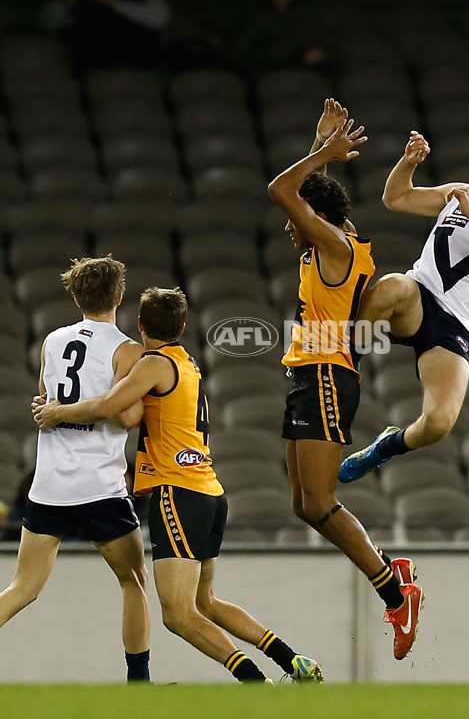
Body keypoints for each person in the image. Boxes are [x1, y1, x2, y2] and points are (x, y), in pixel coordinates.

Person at [33, 286, 322, 684]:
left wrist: (56, 412)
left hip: (178, 493)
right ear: (183, 327)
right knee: (206, 601)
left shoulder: (152, 365)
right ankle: (293, 661)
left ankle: (256, 683)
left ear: (139, 325)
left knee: (178, 615)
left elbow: (109, 408)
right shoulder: (186, 362)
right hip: (209, 493)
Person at [266, 100, 424, 662]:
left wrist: (319, 158)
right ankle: (391, 574)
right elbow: (315, 200)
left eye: (298, 219)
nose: (289, 225)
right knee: (304, 506)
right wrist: (321, 148)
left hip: (328, 376)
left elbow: (281, 192)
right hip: (309, 377)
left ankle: (395, 591)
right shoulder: (335, 237)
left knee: (322, 500)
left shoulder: (332, 245)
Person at [339, 126, 469, 483]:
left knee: (437, 424)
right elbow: (397, 198)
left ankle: (383, 448)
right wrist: (407, 163)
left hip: (457, 322)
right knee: (392, 287)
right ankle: (342, 366)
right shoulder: (458, 192)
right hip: (420, 295)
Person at [0, 255, 151, 682]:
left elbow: (45, 402)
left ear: (76, 296)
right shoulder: (127, 350)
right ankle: (139, 683)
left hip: (48, 485)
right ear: (119, 296)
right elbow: (127, 417)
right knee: (133, 581)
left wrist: (59, 410)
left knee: (22, 588)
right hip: (99, 485)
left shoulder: (52, 340)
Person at [38, 0, 170, 72]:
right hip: (95, 67)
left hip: (138, 65)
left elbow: (160, 18)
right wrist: (67, 3)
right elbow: (46, 22)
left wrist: (115, 3)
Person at [231, 0, 327, 78]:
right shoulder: (255, 18)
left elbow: (331, 49)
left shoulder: (311, 17)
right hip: (267, 78)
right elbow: (238, 55)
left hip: (306, 77)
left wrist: (320, 55)